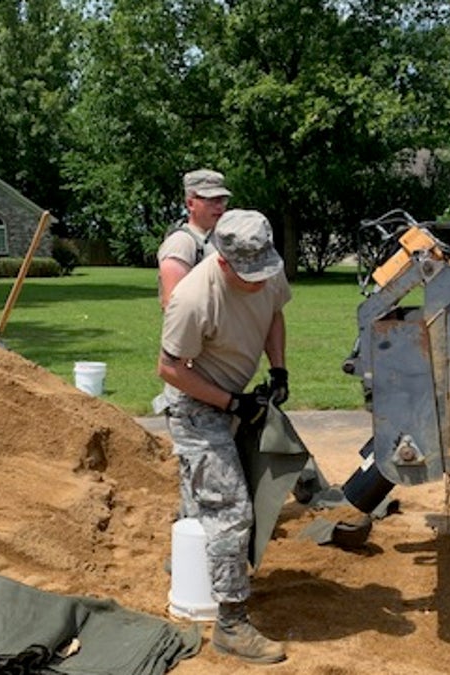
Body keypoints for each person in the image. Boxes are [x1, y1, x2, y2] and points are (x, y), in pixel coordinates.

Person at [156, 209, 290, 664]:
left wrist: (278, 369)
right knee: (231, 506)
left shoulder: (267, 268)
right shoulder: (193, 297)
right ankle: (231, 623)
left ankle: (191, 568)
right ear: (224, 261)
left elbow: (273, 313)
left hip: (232, 393)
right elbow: (170, 369)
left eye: (263, 270)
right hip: (195, 405)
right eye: (247, 274)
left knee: (207, 496)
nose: (258, 281)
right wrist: (231, 404)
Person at [156, 168, 230, 309]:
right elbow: (174, 306)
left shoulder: (223, 238)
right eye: (212, 200)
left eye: (222, 200)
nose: (219, 206)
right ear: (190, 204)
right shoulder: (180, 242)